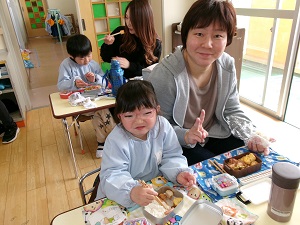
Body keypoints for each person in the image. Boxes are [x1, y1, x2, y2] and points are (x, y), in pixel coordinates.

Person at [147, 0, 273, 166]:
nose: (207, 44)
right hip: (178, 141)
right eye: (199, 34)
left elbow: (232, 109)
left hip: (214, 134)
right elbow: (156, 126)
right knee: (213, 169)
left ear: (228, 39)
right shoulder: (166, 75)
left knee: (251, 157)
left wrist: (250, 134)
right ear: (186, 35)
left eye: (218, 36)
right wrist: (186, 135)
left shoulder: (226, 65)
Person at [96, 80, 196, 208]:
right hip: (122, 195)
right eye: (129, 115)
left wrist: (178, 172)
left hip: (154, 187)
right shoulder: (116, 140)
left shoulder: (162, 126)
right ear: (119, 116)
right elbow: (112, 175)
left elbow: (172, 155)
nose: (138, 121)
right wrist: (131, 192)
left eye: (147, 113)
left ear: (157, 110)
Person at [57, 34, 116, 158]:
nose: (87, 60)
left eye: (89, 55)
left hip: (95, 101)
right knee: (100, 111)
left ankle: (103, 142)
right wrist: (74, 82)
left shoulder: (93, 64)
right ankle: (112, 138)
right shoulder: (66, 65)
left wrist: (95, 78)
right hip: (79, 105)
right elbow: (61, 85)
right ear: (71, 56)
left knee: (100, 110)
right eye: (82, 58)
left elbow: (105, 83)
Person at [100, 0, 162, 79]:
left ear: (144, 20)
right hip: (118, 80)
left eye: (133, 19)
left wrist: (129, 65)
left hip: (140, 85)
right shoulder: (120, 33)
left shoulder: (155, 43)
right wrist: (108, 45)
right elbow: (105, 58)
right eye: (126, 17)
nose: (128, 23)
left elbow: (151, 71)